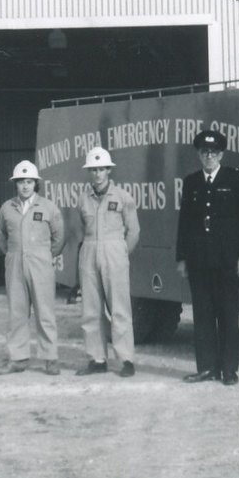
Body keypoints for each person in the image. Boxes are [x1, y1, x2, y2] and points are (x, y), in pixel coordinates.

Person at [176, 130, 239, 386]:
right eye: (204, 152)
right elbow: (185, 223)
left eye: (213, 153)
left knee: (228, 314)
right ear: (199, 155)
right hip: (199, 261)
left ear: (221, 154)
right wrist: (182, 257)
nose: (208, 157)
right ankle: (207, 367)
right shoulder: (191, 182)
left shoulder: (235, 180)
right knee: (203, 314)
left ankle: (229, 369)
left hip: (227, 260)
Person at [0, 159, 65, 376]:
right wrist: (14, 254)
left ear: (36, 183)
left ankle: (50, 359)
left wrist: (44, 255)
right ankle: (18, 358)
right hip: (15, 263)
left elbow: (59, 237)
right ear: (15, 184)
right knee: (17, 313)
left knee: (45, 312)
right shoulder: (7, 208)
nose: (25, 186)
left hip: (41, 264)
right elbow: (0, 237)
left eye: (29, 181)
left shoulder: (48, 207)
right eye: (20, 182)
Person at [75, 147, 141, 378]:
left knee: (120, 308)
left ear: (109, 171)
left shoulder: (123, 197)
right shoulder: (83, 199)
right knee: (91, 310)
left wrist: (121, 252)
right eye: (93, 169)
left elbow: (133, 231)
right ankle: (97, 359)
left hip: (114, 252)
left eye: (101, 169)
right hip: (90, 250)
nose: (97, 174)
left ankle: (126, 359)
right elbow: (81, 229)